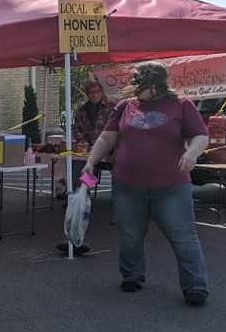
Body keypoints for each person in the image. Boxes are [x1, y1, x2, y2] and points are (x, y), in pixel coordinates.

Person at [82, 61, 209, 306]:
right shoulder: (125, 106)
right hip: (128, 184)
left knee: (183, 236)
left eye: (140, 83)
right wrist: (91, 161)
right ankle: (132, 276)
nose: (135, 87)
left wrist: (192, 152)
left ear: (157, 85)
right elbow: (107, 138)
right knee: (130, 234)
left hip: (171, 186)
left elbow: (200, 135)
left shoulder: (181, 105)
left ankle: (195, 286)